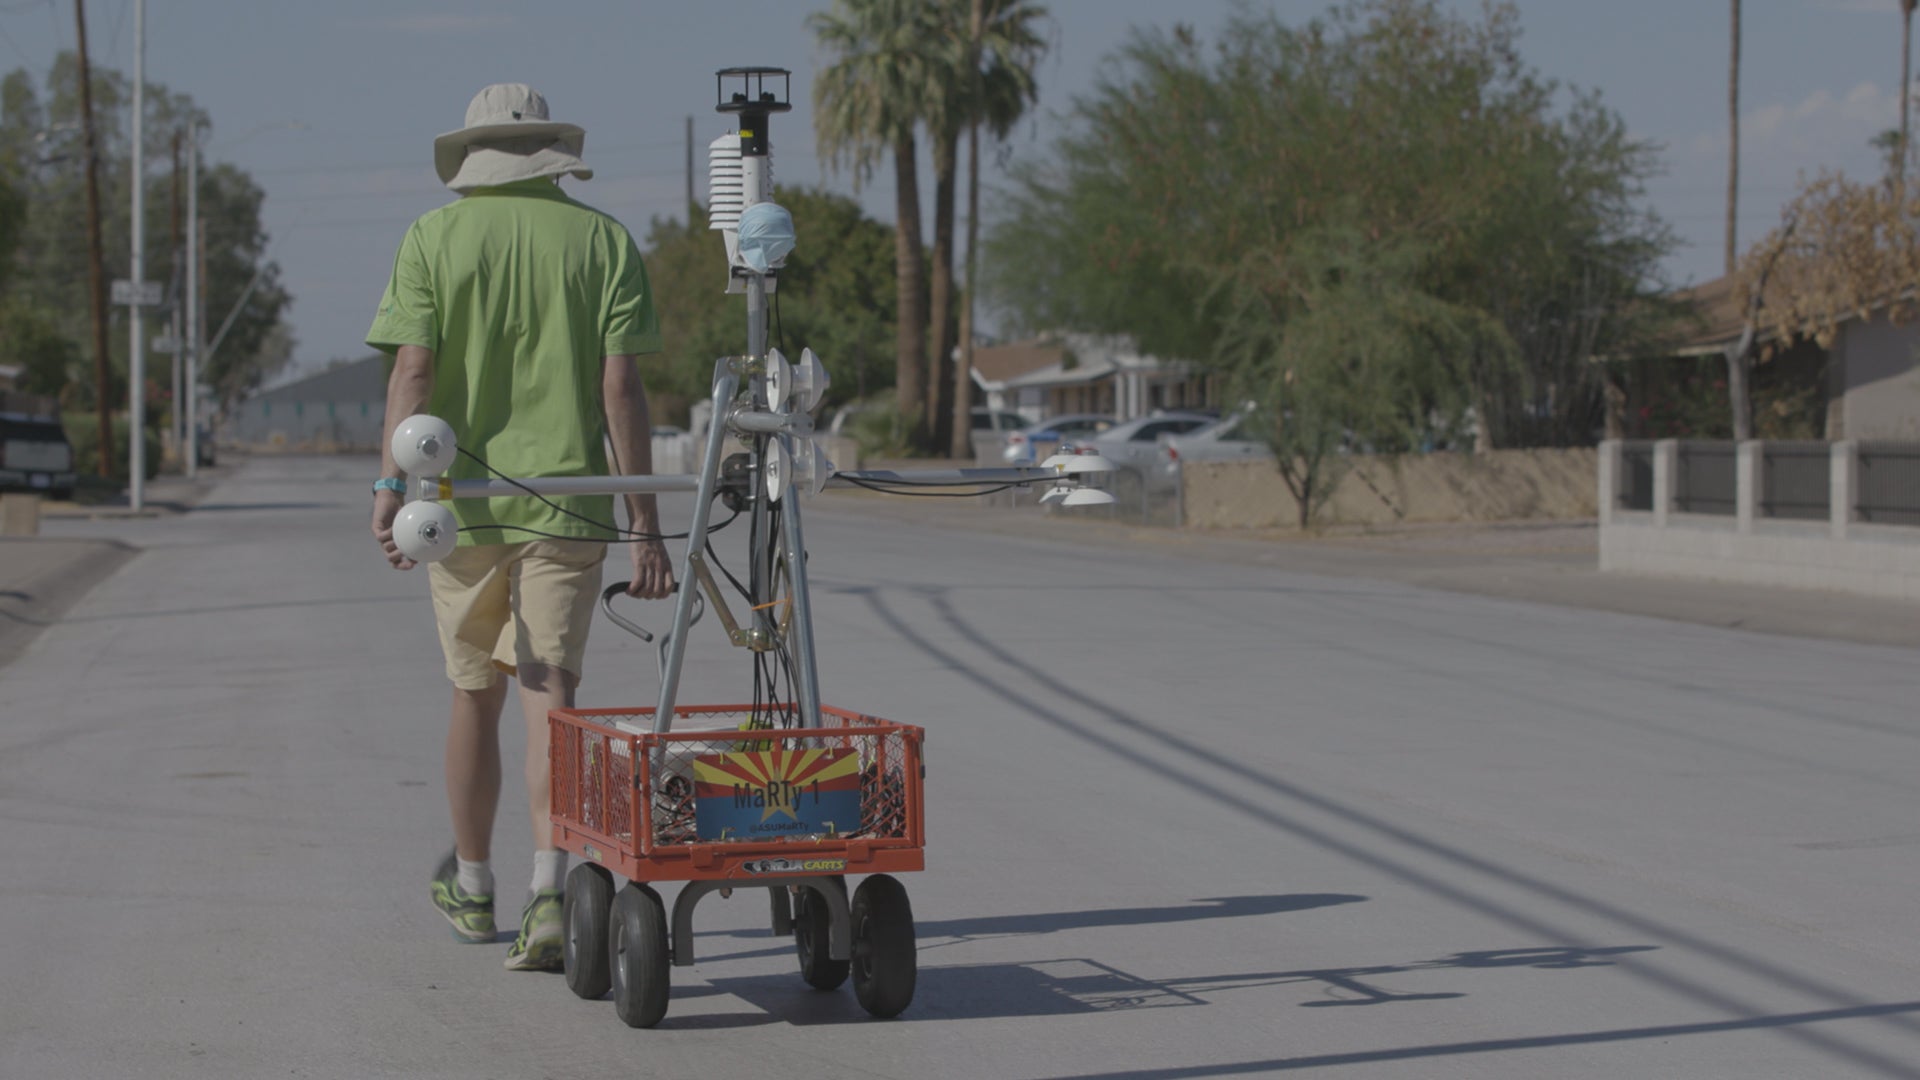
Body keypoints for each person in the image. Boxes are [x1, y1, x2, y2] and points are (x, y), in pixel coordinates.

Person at [366, 84, 675, 971]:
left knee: (474, 694)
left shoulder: (434, 237)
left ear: (476, 155)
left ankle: (472, 883)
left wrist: (391, 484)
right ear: (548, 152)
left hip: (457, 510)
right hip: (571, 502)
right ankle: (552, 889)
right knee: (552, 693)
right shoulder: (603, 239)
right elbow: (620, 390)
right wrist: (644, 521)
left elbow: (414, 376)